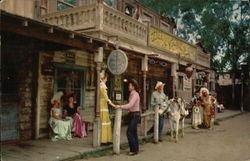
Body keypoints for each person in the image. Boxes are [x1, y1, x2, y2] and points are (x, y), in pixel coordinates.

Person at [115, 79, 140, 156]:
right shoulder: (132, 94)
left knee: (129, 132)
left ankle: (133, 150)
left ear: (133, 86)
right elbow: (130, 106)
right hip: (132, 114)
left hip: (135, 115)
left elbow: (130, 105)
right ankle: (136, 149)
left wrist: (120, 106)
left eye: (129, 85)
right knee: (134, 132)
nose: (128, 87)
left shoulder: (135, 94)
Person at [100, 71, 116, 145]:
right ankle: (103, 140)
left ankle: (107, 139)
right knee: (104, 122)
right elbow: (106, 98)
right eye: (106, 78)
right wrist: (113, 105)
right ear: (104, 78)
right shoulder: (102, 86)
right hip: (102, 105)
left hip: (104, 105)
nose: (107, 79)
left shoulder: (102, 85)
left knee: (106, 121)